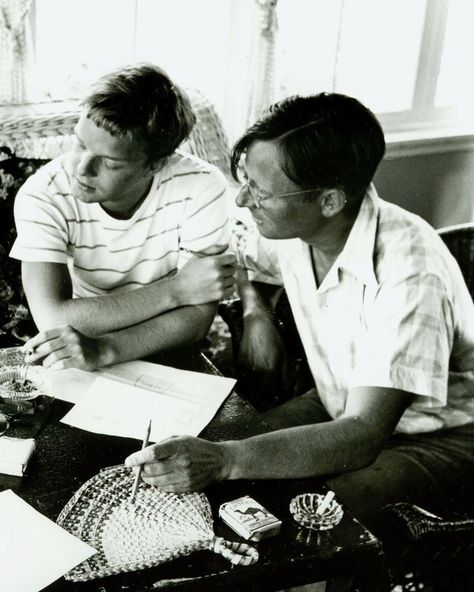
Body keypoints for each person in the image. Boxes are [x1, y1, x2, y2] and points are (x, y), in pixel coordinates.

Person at [125, 92, 474, 530]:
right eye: (244, 179)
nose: (243, 201)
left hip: (440, 435)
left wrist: (225, 461)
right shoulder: (295, 225)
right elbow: (240, 257)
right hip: (340, 401)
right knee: (211, 443)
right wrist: (255, 313)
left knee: (309, 514)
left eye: (261, 192)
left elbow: (364, 433)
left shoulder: (411, 275)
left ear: (329, 201)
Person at [10, 63, 235, 371]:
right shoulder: (43, 193)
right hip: (81, 345)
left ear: (156, 165)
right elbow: (51, 319)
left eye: (110, 162)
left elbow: (197, 321)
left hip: (160, 344)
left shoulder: (202, 186)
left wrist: (104, 350)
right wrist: (179, 289)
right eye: (79, 143)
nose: (81, 168)